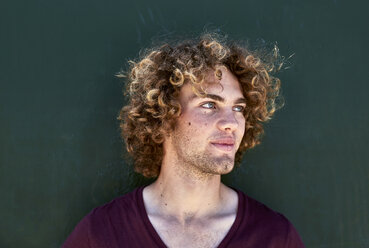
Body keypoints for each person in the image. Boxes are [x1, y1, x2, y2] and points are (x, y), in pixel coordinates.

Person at [62, 33, 305, 248]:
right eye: (209, 105)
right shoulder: (102, 234)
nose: (231, 122)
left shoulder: (274, 237)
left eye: (239, 108)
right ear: (164, 116)